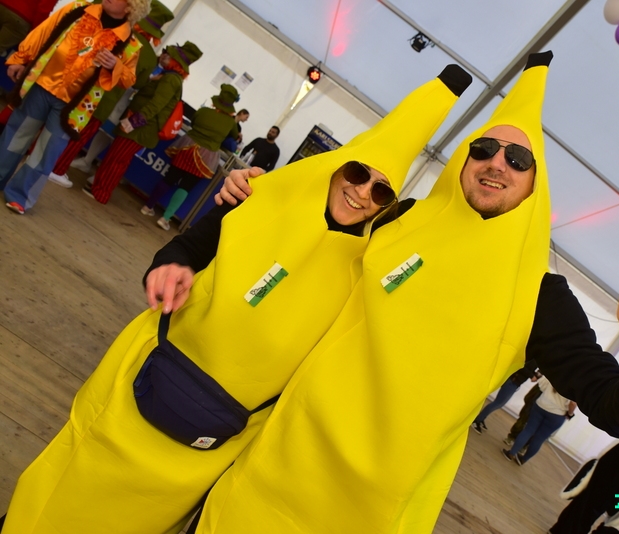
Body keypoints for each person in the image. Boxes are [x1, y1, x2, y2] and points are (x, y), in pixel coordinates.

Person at [193, 51, 619, 534]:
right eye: (483, 148)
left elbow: (616, 410)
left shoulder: (541, 294)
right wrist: (250, 197)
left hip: (368, 511)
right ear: (463, 159)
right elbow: (312, 236)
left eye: (517, 158)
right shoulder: (400, 217)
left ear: (535, 183)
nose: (496, 162)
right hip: (270, 462)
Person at [0, 65, 471, 533]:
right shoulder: (257, 198)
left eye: (380, 191)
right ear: (336, 167)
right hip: (151, 379)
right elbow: (188, 248)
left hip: (221, 435)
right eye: (357, 173)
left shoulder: (366, 269)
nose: (361, 192)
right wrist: (169, 268)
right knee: (69, 484)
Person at [0, 0, 148, 215]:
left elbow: (128, 79)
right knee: (16, 136)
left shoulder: (130, 44)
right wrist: (21, 58)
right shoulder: (77, 9)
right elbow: (44, 32)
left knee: (46, 152)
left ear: (130, 7)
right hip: (42, 85)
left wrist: (115, 65)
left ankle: (20, 196)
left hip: (74, 107)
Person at [47, 0, 173, 188]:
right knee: (78, 136)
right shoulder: (147, 54)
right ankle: (57, 169)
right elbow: (138, 83)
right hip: (105, 102)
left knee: (60, 125)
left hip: (82, 87)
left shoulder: (119, 31)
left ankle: (42, 159)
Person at [85, 40, 201, 204]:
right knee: (116, 157)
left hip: (141, 128)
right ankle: (99, 188)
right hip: (139, 126)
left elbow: (156, 105)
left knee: (117, 159)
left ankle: (101, 192)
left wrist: (134, 122)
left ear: (176, 61)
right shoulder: (168, 77)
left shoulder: (170, 80)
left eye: (169, 55)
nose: (164, 56)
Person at [140, 83, 238, 230]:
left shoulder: (204, 111)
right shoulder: (231, 123)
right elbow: (234, 137)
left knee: (169, 178)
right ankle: (165, 218)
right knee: (186, 187)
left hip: (187, 146)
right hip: (207, 156)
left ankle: (148, 206)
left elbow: (193, 122)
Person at [501, 375, 576, 465]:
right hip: (557, 414)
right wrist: (570, 414)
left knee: (528, 431)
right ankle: (523, 459)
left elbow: (541, 384)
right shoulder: (577, 385)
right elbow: (573, 403)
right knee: (539, 439)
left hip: (540, 406)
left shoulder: (556, 373)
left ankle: (511, 453)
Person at [471, 365, 536, 434]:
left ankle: (481, 418)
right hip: (513, 381)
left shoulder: (535, 361)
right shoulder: (534, 360)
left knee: (498, 403)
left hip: (515, 382)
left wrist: (534, 374)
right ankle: (477, 420)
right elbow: (521, 365)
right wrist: (532, 376)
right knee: (498, 403)